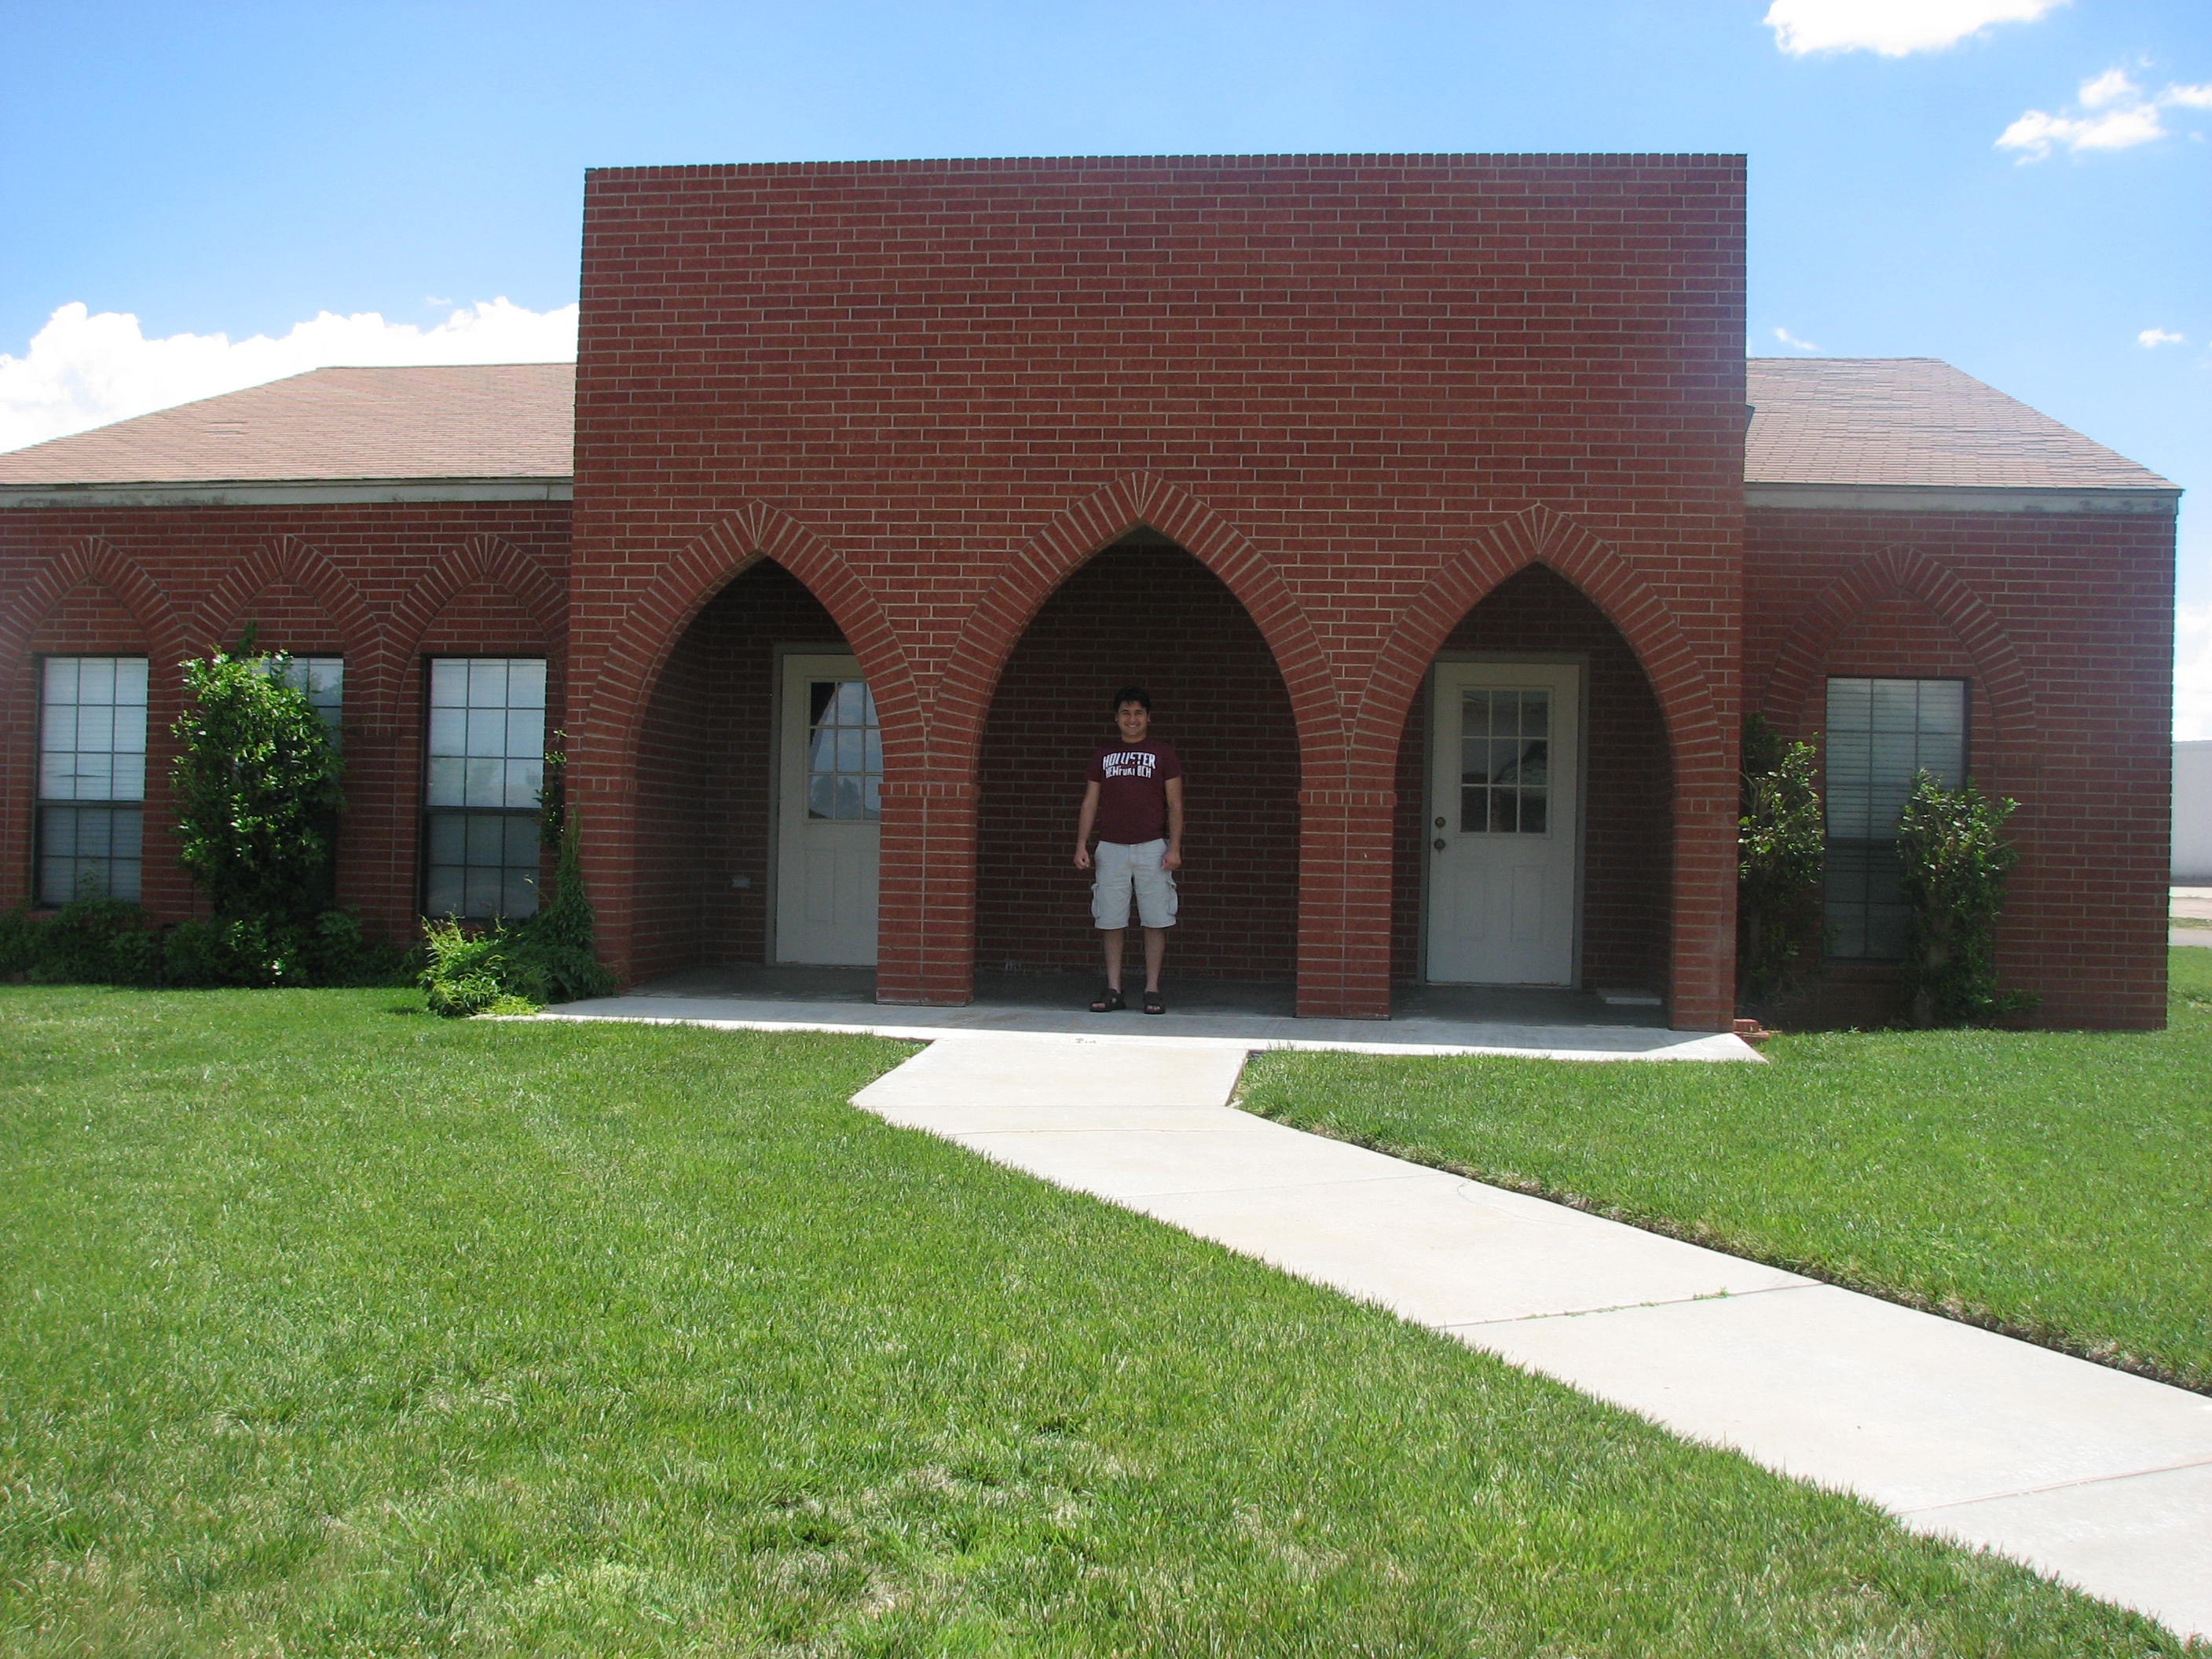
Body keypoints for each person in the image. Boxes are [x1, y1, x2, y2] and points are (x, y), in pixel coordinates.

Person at [1074, 686, 1183, 1014]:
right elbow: (1090, 801)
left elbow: (1175, 804)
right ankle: (1113, 989)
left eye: (1138, 713)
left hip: (1153, 848)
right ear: (1116, 718)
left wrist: (1174, 847)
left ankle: (1152, 989)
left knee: (1155, 919)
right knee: (1110, 920)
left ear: (1148, 717)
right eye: (1125, 713)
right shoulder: (1103, 756)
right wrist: (1082, 842)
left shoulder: (1163, 754)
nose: (1131, 719)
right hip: (1111, 847)